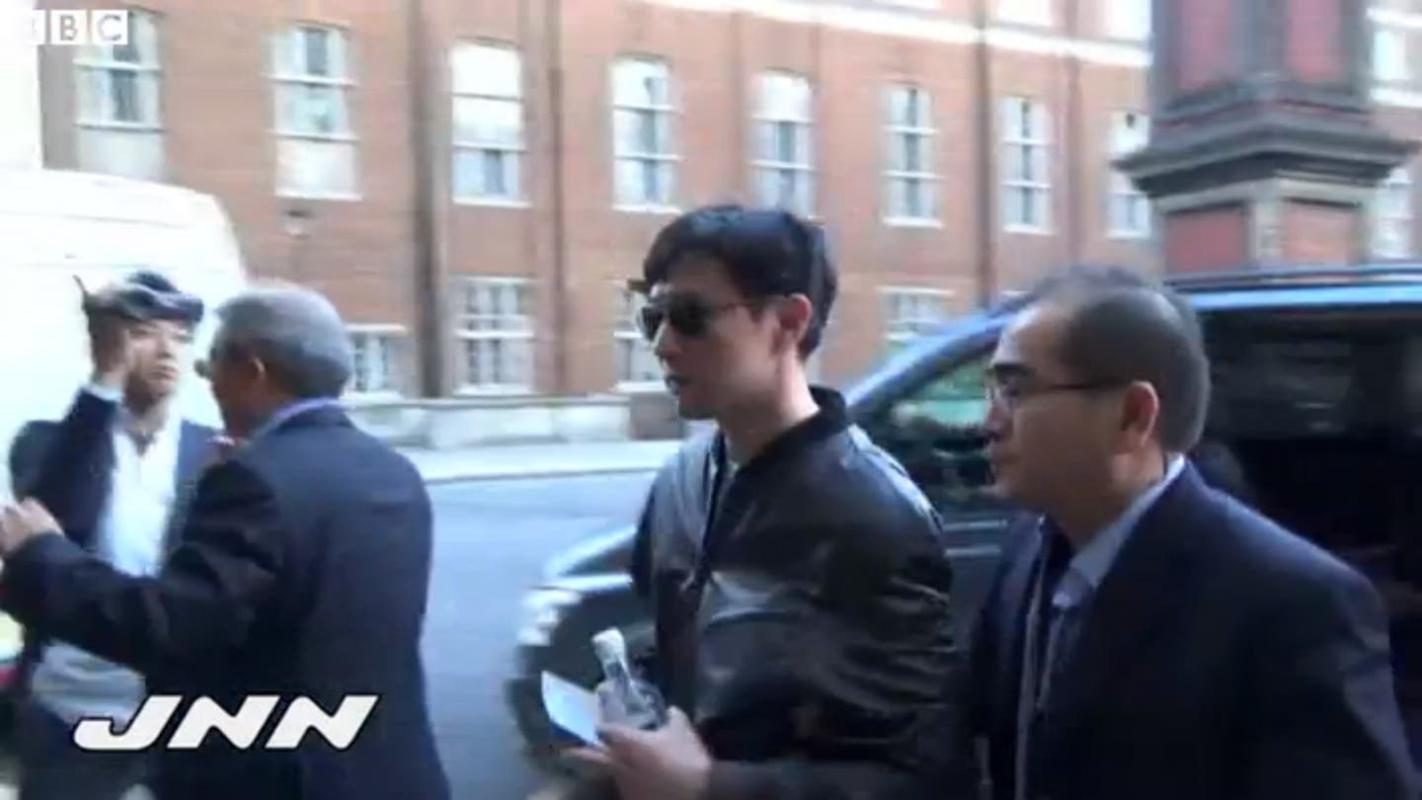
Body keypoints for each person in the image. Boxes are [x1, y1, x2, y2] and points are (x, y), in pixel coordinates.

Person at [961, 265, 1416, 799]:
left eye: (1015, 391)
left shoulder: (1294, 603)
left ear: (1133, 416)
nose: (988, 422)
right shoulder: (1027, 552)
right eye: (992, 390)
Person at [568, 205, 961, 800]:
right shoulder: (681, 480)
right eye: (652, 317)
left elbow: (920, 778)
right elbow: (677, 662)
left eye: (690, 317)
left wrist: (710, 787)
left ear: (787, 322)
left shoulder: (874, 517)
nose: (663, 345)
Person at [0, 285, 450, 800]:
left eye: (210, 361)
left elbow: (174, 627)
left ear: (252, 372)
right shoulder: (392, 471)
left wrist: (40, 556)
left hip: (280, 778)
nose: (205, 379)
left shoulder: (256, 479)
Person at [6, 271, 215, 800]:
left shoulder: (214, 452)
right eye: (144, 334)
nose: (167, 351)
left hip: (176, 710)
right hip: (68, 705)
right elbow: (49, 518)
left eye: (181, 337)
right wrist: (104, 382)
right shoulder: (47, 443)